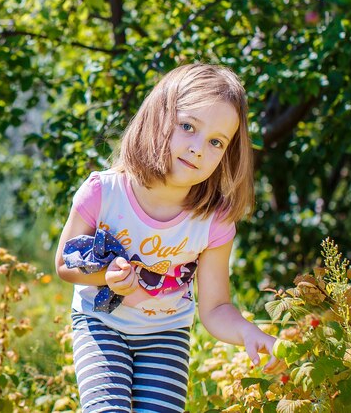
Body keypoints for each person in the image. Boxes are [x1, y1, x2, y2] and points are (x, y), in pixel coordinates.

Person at [55, 63, 285, 412]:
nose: (197, 148)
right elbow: (64, 265)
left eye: (215, 142)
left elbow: (216, 307)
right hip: (101, 324)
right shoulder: (104, 193)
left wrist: (249, 333)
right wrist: (108, 278)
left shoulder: (214, 222)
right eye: (188, 126)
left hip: (165, 336)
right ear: (157, 118)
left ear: (226, 155)